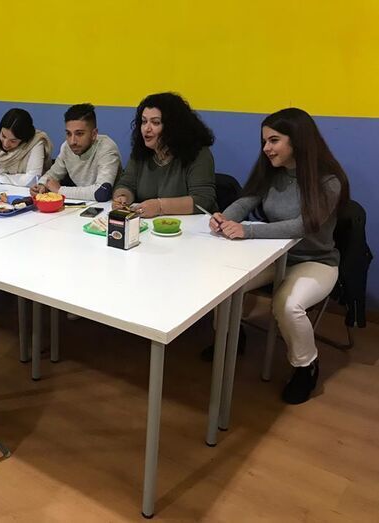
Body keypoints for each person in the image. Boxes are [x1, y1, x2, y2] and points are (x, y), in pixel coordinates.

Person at [209, 108, 349, 405]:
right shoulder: (272, 172)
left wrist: (248, 231)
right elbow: (246, 201)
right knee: (222, 286)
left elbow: (303, 225)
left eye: (274, 141)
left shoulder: (329, 181)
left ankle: (306, 366)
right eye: (264, 141)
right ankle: (233, 339)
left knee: (287, 305)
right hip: (274, 256)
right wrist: (224, 217)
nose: (266, 148)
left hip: (316, 261)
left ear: (297, 141)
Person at [112, 92, 217, 216]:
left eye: (155, 123)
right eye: (144, 121)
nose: (146, 128)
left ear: (174, 127)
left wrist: (160, 207)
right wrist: (122, 197)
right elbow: (126, 184)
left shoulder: (199, 154)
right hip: (149, 224)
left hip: (191, 225)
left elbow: (203, 200)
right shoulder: (141, 152)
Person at [30, 103, 121, 202]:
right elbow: (52, 175)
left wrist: (60, 190)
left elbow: (102, 192)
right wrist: (41, 185)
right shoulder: (66, 147)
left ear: (94, 134)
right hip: (83, 204)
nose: (72, 141)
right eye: (68, 134)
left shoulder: (107, 148)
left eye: (79, 134)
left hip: (109, 206)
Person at [0, 108, 52, 189]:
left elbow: (33, 179)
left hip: (26, 193)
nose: (5, 144)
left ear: (23, 139)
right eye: (3, 136)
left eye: (13, 141)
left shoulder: (35, 142)